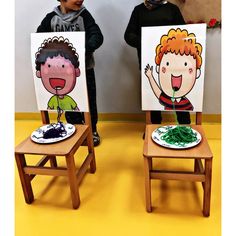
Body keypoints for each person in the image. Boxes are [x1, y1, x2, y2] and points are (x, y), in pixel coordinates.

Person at [37, 0, 103, 146]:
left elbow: (97, 36)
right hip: (62, 74)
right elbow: (40, 39)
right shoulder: (51, 18)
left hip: (84, 70)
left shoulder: (84, 16)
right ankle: (75, 129)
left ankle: (91, 130)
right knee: (67, 102)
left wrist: (82, 49)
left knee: (89, 101)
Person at [124, 0, 191, 124]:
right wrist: (146, 42)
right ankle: (153, 126)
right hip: (148, 61)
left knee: (178, 92)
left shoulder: (172, 9)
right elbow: (128, 35)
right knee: (152, 93)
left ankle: (184, 125)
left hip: (174, 63)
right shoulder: (139, 10)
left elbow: (183, 33)